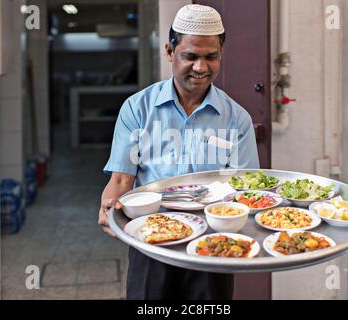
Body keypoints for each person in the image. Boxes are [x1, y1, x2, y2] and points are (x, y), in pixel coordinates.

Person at [98, 4, 260, 300]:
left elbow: (244, 190)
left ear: (221, 54)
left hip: (213, 242)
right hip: (152, 237)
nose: (201, 67)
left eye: (210, 57)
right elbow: (121, 180)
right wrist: (110, 203)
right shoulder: (138, 109)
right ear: (170, 51)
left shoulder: (237, 119)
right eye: (190, 56)